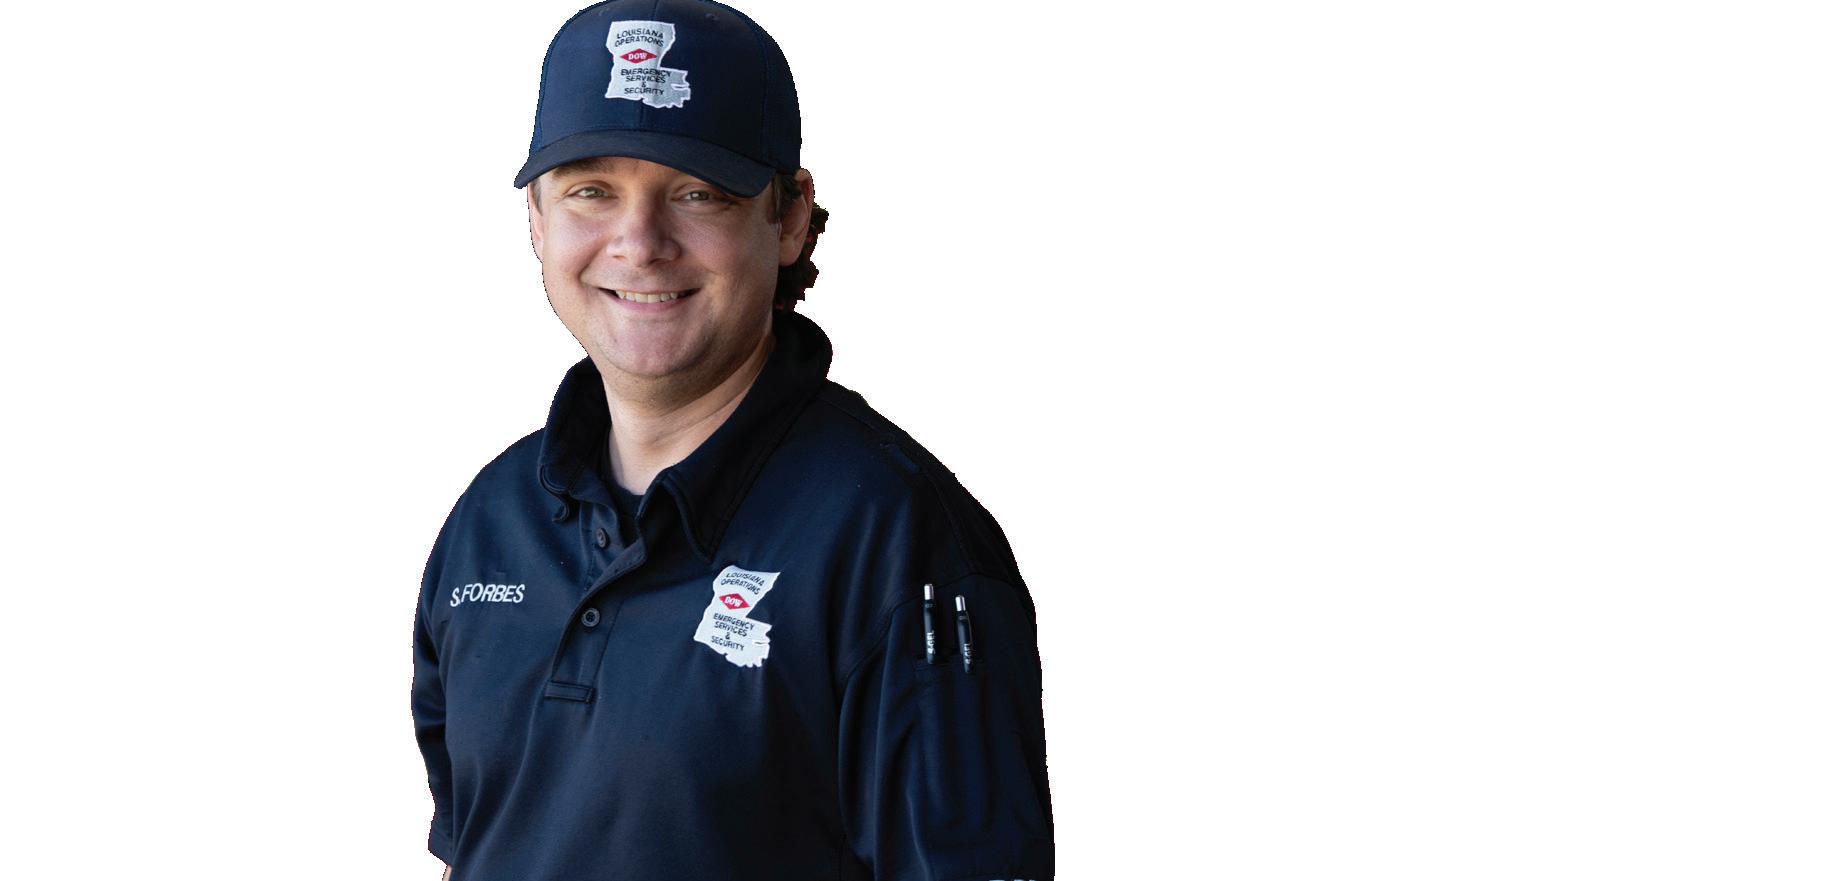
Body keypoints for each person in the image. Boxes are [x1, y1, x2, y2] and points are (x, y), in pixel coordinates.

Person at [409, 1, 1054, 878]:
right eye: (592, 191)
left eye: (696, 192)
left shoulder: (901, 544)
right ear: (536, 218)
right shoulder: (489, 520)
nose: (640, 244)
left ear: (789, 218)